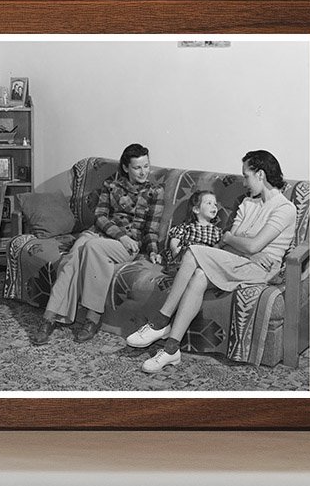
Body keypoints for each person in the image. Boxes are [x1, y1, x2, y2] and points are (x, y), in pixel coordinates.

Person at [126, 150, 297, 373]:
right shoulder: (247, 203)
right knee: (198, 276)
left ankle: (160, 321)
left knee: (194, 251)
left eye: (246, 175)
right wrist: (241, 242)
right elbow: (233, 243)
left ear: (261, 175)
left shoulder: (285, 208)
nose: (244, 182)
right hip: (238, 260)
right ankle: (171, 349)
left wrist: (236, 240)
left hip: (259, 269)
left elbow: (243, 242)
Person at [31, 143, 165, 345]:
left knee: (92, 248)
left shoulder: (155, 191)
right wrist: (119, 234)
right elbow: (100, 216)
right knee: (71, 259)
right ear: (126, 167)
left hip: (128, 244)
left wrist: (153, 251)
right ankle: (49, 319)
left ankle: (93, 318)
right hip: (103, 234)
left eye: (146, 166)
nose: (143, 172)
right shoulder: (111, 184)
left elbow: (152, 229)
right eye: (138, 167)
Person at [160, 189, 223, 269]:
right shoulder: (187, 226)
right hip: (186, 255)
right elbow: (175, 239)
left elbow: (216, 248)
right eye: (209, 203)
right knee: (183, 257)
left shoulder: (216, 232)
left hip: (203, 258)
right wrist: (174, 249)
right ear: (196, 209)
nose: (214, 206)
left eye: (215, 204)